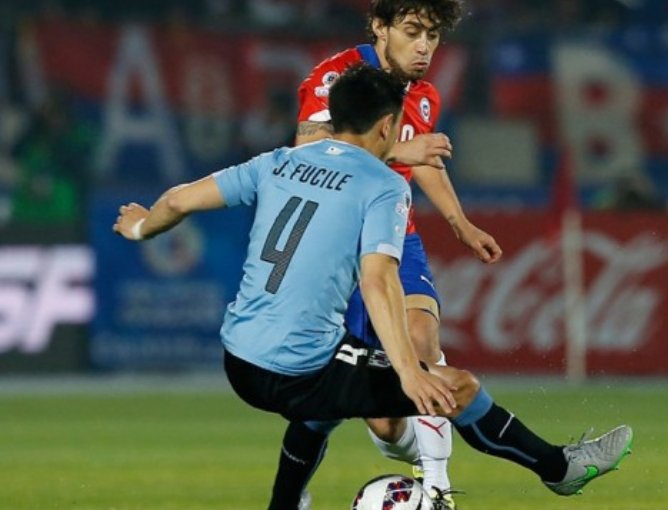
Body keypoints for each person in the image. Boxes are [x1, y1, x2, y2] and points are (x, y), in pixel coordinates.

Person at [112, 64, 633, 510]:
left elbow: (179, 201)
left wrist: (140, 227)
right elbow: (379, 277)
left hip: (240, 360)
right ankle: (558, 468)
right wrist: (410, 373)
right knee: (457, 387)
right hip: (298, 367)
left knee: (324, 403)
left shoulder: (279, 161)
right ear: (388, 124)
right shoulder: (382, 185)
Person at [293, 1, 502, 506]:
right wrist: (397, 151)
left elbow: (423, 159)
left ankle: (438, 488)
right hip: (335, 245)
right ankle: (295, 494)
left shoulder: (423, 95)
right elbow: (304, 150)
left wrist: (459, 222)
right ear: (380, 28)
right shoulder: (334, 77)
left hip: (395, 236)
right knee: (377, 417)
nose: (425, 46)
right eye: (412, 31)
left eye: (432, 34)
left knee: (421, 339)